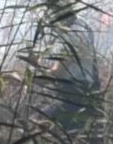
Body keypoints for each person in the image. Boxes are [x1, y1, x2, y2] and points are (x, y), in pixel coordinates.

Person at [41, 9, 102, 138]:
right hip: (84, 89)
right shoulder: (82, 25)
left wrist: (38, 76)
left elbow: (60, 69)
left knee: (42, 122)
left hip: (76, 91)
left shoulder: (75, 32)